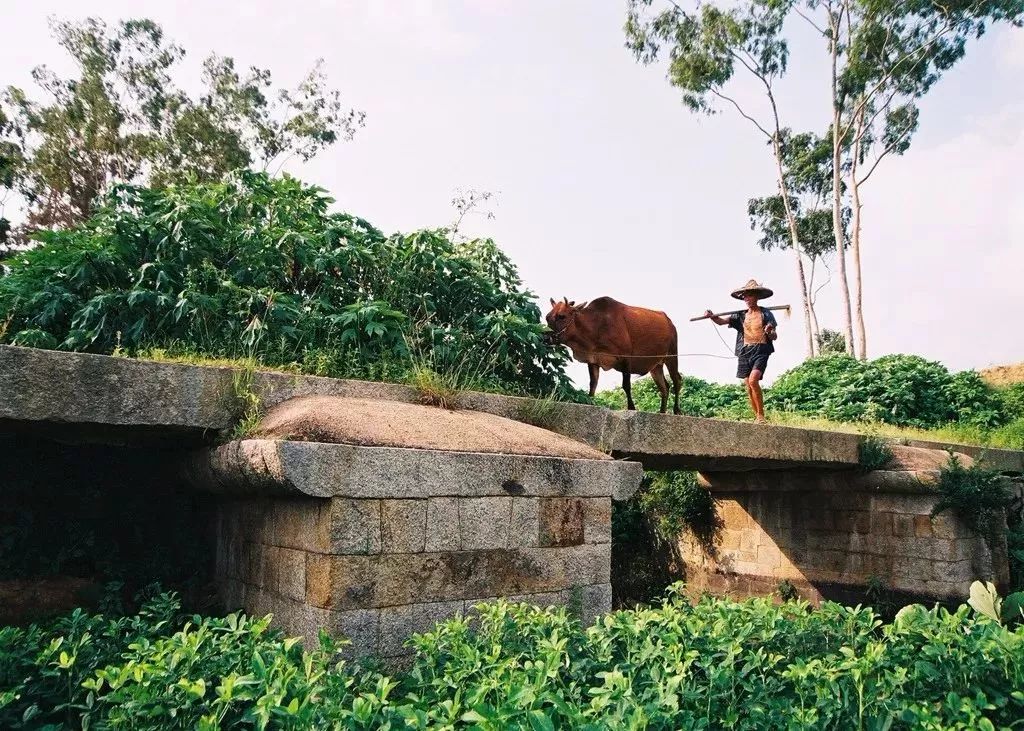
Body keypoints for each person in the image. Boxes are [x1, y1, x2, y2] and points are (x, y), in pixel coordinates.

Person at [705, 279, 778, 423]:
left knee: (753, 380)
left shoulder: (766, 314)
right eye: (745, 296)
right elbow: (721, 322)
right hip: (745, 351)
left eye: (749, 295)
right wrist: (712, 316)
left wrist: (769, 331)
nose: (746, 298)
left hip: (761, 350)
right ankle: (756, 416)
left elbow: (774, 336)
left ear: (756, 297)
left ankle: (761, 416)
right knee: (748, 385)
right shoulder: (740, 315)